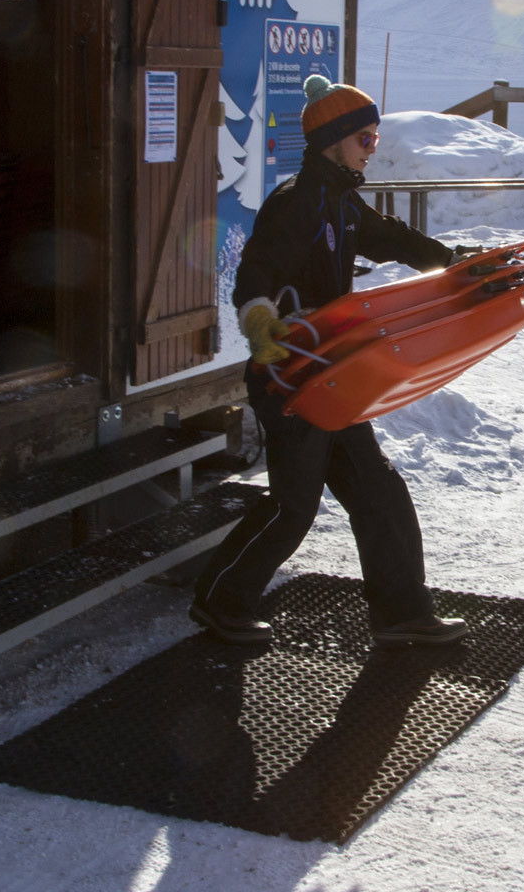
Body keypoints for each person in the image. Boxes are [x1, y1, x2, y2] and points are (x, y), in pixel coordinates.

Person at [191, 74, 469, 647]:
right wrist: (266, 335)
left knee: (378, 493)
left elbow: (391, 237)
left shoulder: (340, 201)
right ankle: (220, 602)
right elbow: (254, 279)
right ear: (334, 140)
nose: (373, 147)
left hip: (330, 375)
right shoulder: (297, 204)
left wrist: (455, 264)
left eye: (374, 137)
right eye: (365, 138)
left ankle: (401, 613)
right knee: (292, 508)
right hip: (289, 376)